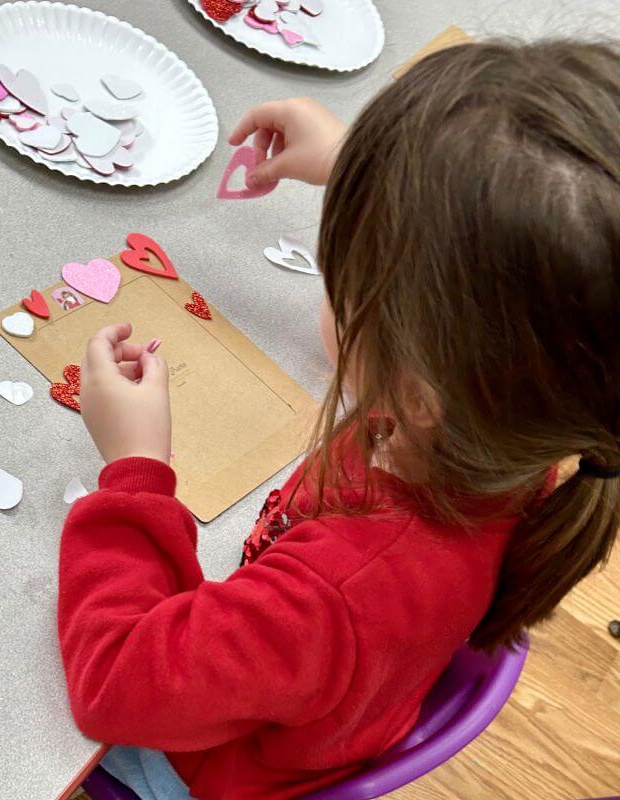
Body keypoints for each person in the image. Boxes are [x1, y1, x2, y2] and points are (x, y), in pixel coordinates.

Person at [57, 40, 620, 800]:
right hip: (308, 687)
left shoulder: (335, 597)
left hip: (195, 767)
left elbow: (114, 683)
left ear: (416, 391)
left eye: (345, 276)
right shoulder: (530, 411)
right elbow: (522, 279)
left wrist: (134, 470)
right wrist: (360, 165)